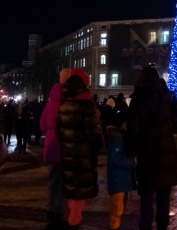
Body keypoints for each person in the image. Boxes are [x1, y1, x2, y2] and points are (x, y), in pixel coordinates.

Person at [126, 66, 177, 230]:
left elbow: (133, 128)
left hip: (147, 152)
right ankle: (163, 224)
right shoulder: (165, 97)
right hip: (165, 151)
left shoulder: (138, 99)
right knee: (164, 191)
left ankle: (146, 224)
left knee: (147, 192)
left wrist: (131, 150)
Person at [56, 68, 104, 230]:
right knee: (78, 195)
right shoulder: (87, 106)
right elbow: (93, 134)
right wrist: (98, 144)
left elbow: (59, 133)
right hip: (83, 158)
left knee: (71, 192)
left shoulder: (63, 105)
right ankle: (73, 223)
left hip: (68, 155)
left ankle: (69, 220)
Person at [40, 67, 71, 230]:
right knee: (65, 183)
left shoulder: (51, 101)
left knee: (53, 182)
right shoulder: (70, 99)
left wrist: (50, 133)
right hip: (66, 147)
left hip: (52, 146)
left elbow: (42, 124)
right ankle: (63, 215)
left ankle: (52, 214)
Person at [106, 109, 137, 230]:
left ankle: (115, 225)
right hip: (118, 179)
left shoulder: (121, 137)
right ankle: (114, 227)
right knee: (117, 208)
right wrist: (133, 162)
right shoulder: (116, 138)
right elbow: (116, 159)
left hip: (122, 179)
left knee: (120, 207)